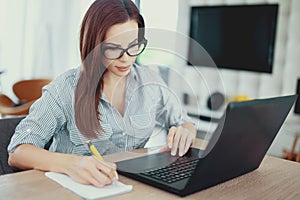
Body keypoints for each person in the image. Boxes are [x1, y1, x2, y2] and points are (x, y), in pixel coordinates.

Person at [8, 0, 196, 188]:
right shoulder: (65, 88)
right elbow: (18, 151)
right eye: (114, 48)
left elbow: (184, 122)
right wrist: (71, 164)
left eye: (134, 45)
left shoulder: (150, 82)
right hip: (72, 191)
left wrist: (185, 132)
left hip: (129, 187)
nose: (126, 58)